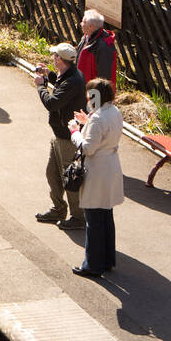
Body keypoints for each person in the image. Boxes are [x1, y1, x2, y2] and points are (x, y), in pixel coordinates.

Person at [67, 77, 124, 276]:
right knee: (106, 216)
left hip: (97, 170)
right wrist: (88, 122)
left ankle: (92, 265)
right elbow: (103, 131)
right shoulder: (114, 112)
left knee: (93, 220)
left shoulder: (99, 117)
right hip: (111, 167)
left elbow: (88, 148)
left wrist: (75, 132)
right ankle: (107, 260)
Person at [34, 42, 87, 229]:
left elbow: (53, 103)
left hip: (67, 138)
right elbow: (60, 85)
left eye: (54, 56)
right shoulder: (68, 74)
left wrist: (41, 86)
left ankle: (78, 217)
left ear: (60, 59)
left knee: (70, 177)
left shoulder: (73, 80)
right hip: (59, 134)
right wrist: (48, 75)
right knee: (52, 173)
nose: (53, 58)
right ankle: (58, 208)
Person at [77, 9, 118, 84]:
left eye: (83, 22)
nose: (80, 24)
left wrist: (96, 94)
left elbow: (104, 77)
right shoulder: (86, 37)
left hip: (94, 91)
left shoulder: (104, 47)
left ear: (90, 26)